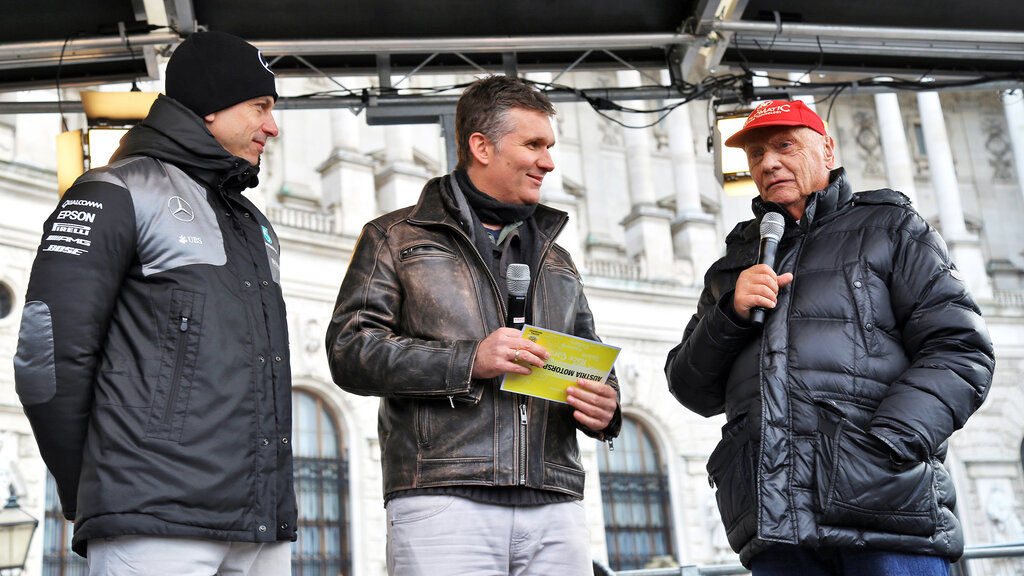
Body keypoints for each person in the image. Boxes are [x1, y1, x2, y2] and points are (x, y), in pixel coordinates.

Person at [664, 100, 995, 575]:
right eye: (755, 154)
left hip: (887, 516)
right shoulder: (733, 266)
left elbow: (961, 349)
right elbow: (689, 387)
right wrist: (730, 314)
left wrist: (885, 447)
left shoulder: (891, 227)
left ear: (826, 150)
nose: (768, 163)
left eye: (784, 146)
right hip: (778, 529)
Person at [14, 31, 295, 574]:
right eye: (260, 106)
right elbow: (46, 360)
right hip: (150, 520)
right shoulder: (113, 190)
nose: (272, 126)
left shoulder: (253, 222)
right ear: (212, 107)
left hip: (260, 527)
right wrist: (92, 489)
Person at [325, 74, 621, 575]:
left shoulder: (558, 256)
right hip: (442, 501)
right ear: (481, 146)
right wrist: (469, 360)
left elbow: (590, 361)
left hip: (556, 505)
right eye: (533, 145)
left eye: (549, 146)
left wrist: (605, 407)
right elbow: (350, 351)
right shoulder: (393, 237)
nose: (548, 161)